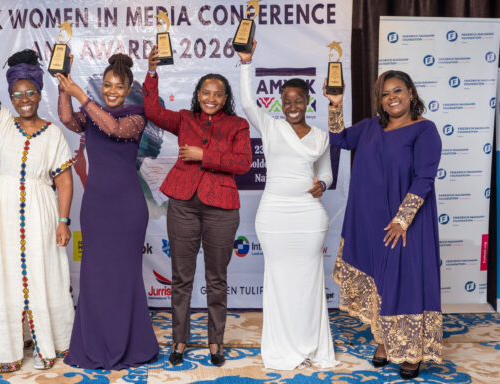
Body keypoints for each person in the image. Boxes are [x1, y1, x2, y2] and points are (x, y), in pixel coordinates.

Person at [0, 22, 75, 372]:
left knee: (44, 272)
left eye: (30, 93)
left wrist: (63, 220)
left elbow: (64, 180)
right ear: (10, 96)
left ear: (39, 93)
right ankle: (2, 347)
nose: (24, 100)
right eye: (17, 94)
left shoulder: (53, 134)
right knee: (1, 274)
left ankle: (49, 340)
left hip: (41, 212)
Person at [326, 70, 442, 380]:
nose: (392, 97)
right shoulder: (369, 127)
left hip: (405, 224)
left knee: (404, 283)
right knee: (378, 281)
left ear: (411, 94)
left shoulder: (424, 131)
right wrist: (335, 105)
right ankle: (384, 342)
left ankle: (410, 352)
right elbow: (338, 139)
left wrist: (402, 220)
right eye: (385, 93)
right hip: (367, 221)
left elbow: (424, 178)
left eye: (398, 91)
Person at [144, 46, 252, 367]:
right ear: (198, 94)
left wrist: (205, 156)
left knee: (217, 278)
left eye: (217, 94)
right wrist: (151, 73)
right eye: (205, 92)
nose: (211, 97)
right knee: (181, 277)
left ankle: (215, 342)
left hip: (221, 207)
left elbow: (243, 162)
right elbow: (151, 111)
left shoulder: (238, 125)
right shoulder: (184, 119)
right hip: (183, 204)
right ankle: (179, 340)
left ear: (225, 98)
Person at [236, 40, 338, 370]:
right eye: (287, 101)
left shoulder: (321, 136)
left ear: (308, 102)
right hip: (275, 216)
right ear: (280, 103)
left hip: (309, 218)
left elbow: (327, 175)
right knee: (280, 279)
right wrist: (246, 63)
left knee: (308, 280)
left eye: (298, 100)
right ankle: (282, 346)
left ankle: (311, 345)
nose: (293, 105)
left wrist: (322, 184)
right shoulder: (272, 126)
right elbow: (247, 101)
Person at [55, 53, 159, 370]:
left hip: (127, 208)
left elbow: (114, 129)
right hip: (96, 207)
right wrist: (63, 84)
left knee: (124, 278)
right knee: (95, 277)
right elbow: (67, 119)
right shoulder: (91, 115)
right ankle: (94, 344)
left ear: (128, 88)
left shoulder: (136, 116)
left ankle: (131, 344)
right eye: (107, 85)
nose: (112, 91)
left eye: (118, 86)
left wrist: (80, 96)